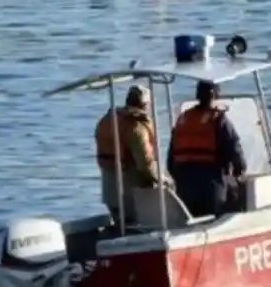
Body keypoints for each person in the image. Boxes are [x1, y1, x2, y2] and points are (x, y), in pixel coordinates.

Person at [167, 81, 247, 218]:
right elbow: (233, 146)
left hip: (184, 179)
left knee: (190, 216)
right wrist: (240, 171)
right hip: (210, 180)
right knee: (216, 214)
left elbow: (171, 157)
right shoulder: (218, 119)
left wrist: (178, 176)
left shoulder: (184, 118)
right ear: (215, 95)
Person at [95, 85, 161, 225]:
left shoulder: (108, 120)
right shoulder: (136, 128)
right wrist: (162, 180)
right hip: (130, 194)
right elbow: (146, 165)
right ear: (145, 105)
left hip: (110, 193)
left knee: (121, 225)